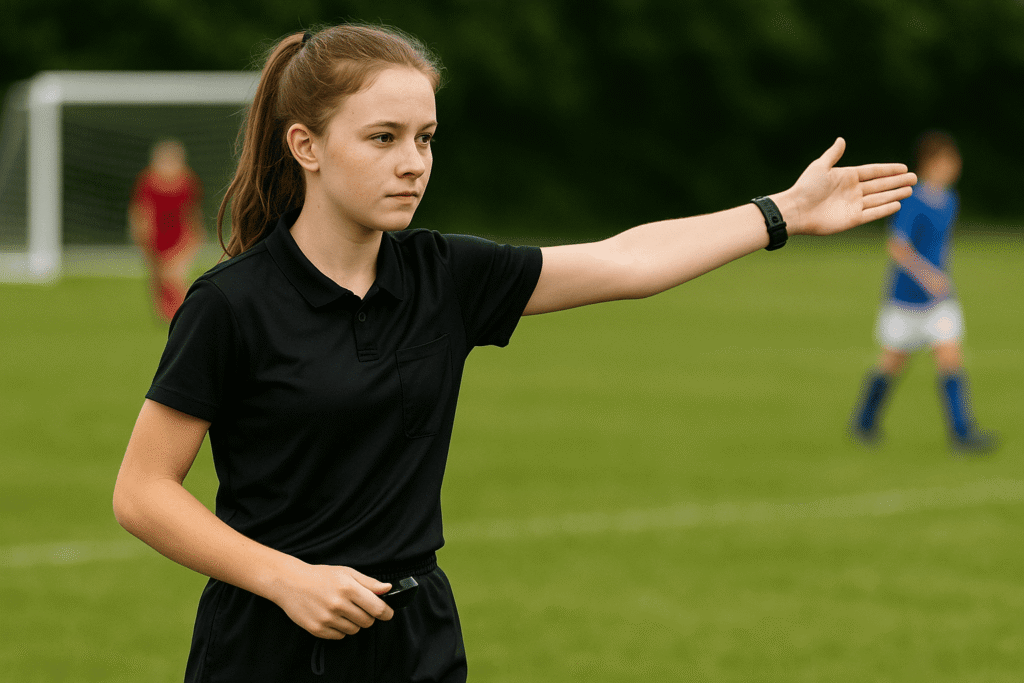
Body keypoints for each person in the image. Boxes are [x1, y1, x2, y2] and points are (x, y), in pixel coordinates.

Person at [112, 24, 916, 682]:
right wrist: (286, 578)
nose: (413, 161)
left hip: (414, 634)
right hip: (269, 646)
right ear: (306, 146)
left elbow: (626, 262)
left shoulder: (446, 276)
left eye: (425, 137)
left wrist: (782, 211)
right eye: (383, 137)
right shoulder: (232, 303)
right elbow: (143, 491)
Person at [851, 130, 998, 453]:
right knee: (892, 362)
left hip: (939, 301)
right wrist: (928, 275)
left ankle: (962, 433)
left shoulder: (950, 200)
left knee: (950, 358)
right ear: (931, 162)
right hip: (905, 300)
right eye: (948, 161)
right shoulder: (913, 201)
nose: (954, 167)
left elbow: (941, 246)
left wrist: (942, 275)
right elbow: (897, 247)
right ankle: (863, 421)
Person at [128, 138, 204, 321]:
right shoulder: (147, 181)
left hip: (180, 238)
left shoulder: (188, 181)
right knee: (158, 280)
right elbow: (141, 210)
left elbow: (191, 212)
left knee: (174, 278)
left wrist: (195, 236)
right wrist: (140, 232)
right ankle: (171, 317)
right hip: (154, 239)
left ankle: (193, 313)